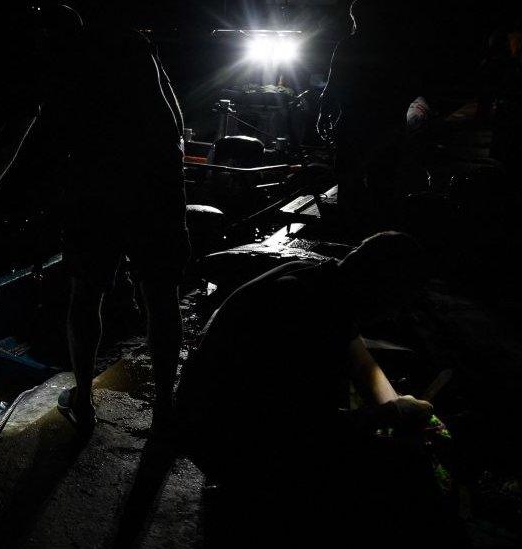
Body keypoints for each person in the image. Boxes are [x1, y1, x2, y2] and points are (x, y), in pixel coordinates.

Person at [0, 3, 189, 437]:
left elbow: (14, 131)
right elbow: (174, 119)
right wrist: (168, 179)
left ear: (44, 34)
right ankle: (166, 405)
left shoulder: (50, 61)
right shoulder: (132, 41)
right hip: (157, 184)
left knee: (86, 293)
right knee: (162, 293)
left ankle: (83, 399)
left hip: (95, 188)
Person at [176, 231, 451, 546]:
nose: (396, 315)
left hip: (238, 417)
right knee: (403, 471)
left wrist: (398, 406)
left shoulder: (327, 283)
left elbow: (363, 365)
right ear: (379, 289)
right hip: (223, 438)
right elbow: (305, 425)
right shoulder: (301, 308)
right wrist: (385, 415)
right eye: (398, 303)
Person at [316, 0, 423, 235]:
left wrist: (324, 113)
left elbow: (333, 84)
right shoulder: (395, 47)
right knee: (381, 181)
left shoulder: (349, 45)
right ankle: (377, 234)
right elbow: (412, 85)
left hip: (355, 122)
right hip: (385, 124)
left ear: (356, 19)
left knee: (350, 180)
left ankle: (350, 232)